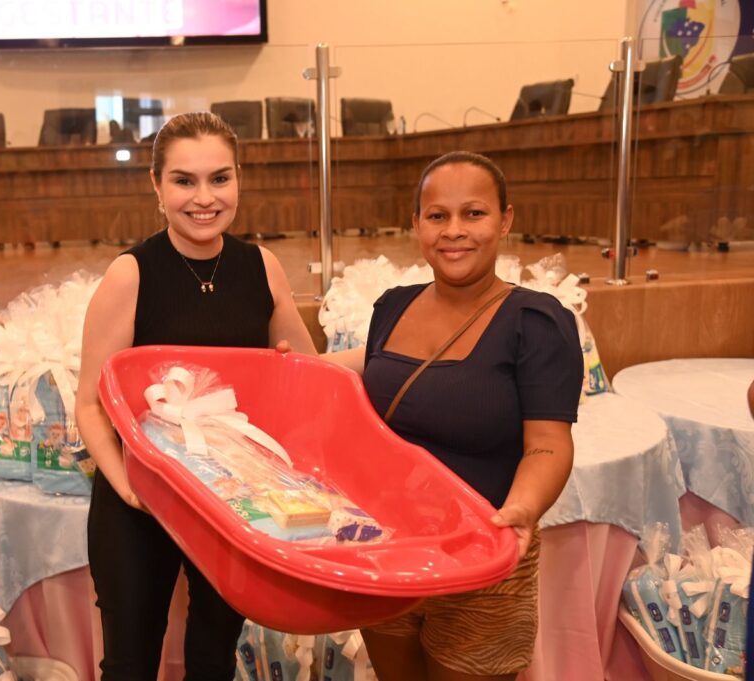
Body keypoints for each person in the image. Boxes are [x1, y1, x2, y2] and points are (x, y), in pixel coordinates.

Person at [323, 151, 583, 680]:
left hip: (483, 559)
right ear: (416, 224)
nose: (454, 231)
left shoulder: (536, 322)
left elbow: (547, 442)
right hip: (388, 549)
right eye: (437, 215)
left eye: (474, 213)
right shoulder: (392, 306)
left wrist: (522, 509)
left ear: (505, 220)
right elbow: (376, 371)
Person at [75, 111, 317, 681]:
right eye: (184, 180)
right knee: (129, 666)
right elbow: (89, 403)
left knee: (213, 661)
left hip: (233, 501)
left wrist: (391, 351)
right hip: (140, 501)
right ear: (156, 186)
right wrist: (131, 490)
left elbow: (311, 374)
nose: (204, 198)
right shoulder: (130, 274)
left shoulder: (263, 267)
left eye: (220, 178)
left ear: (239, 180)